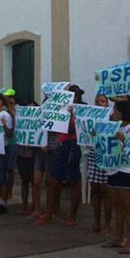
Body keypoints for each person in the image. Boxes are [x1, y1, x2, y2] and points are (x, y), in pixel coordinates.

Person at [102, 100, 130, 255]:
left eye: (115, 110)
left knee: (128, 207)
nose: (113, 113)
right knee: (117, 206)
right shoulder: (116, 126)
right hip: (113, 169)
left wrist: (121, 137)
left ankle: (129, 241)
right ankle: (119, 237)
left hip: (126, 170)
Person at [49, 84, 84, 227]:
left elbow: (72, 129)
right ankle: (50, 211)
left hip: (74, 145)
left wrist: (70, 115)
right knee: (54, 179)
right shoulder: (62, 108)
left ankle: (72, 216)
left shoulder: (82, 110)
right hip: (62, 144)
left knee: (74, 181)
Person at [87, 94, 112, 234]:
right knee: (95, 190)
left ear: (106, 104)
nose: (99, 103)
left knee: (106, 191)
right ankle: (96, 222)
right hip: (93, 153)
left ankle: (107, 224)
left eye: (102, 101)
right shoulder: (90, 117)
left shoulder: (111, 118)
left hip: (106, 156)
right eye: (97, 101)